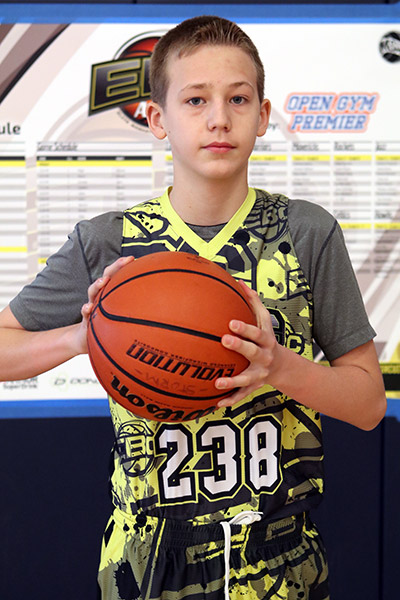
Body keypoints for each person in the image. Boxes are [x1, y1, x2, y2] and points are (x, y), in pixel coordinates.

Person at [0, 15, 386, 600]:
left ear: (262, 115)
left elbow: (369, 404)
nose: (218, 118)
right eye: (195, 99)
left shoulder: (307, 233)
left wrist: (278, 367)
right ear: (158, 119)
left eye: (238, 99)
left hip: (281, 560)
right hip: (148, 562)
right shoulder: (107, 242)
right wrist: (83, 339)